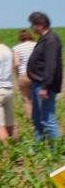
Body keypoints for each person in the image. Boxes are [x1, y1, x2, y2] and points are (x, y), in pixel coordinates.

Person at [26, 11, 62, 142]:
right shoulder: (44, 39)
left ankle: (59, 152)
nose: (32, 28)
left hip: (43, 85)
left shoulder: (51, 40)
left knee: (47, 121)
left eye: (33, 25)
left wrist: (45, 86)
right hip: (38, 84)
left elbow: (51, 65)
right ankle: (38, 151)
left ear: (40, 24)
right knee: (37, 120)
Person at [12, 29, 37, 119]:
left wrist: (17, 75)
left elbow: (16, 64)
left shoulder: (16, 48)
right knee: (38, 98)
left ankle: (31, 121)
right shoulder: (36, 45)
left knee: (27, 100)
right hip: (36, 75)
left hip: (24, 75)